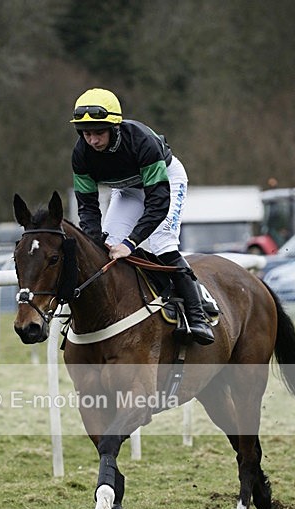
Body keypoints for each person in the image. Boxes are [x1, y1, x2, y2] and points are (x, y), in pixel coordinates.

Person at [71, 87, 214, 345]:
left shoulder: (141, 141)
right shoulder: (81, 155)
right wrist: (95, 239)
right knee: (107, 246)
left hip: (165, 182)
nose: (92, 140)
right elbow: (87, 207)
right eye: (86, 133)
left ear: (114, 127)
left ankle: (198, 312)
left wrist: (131, 242)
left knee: (161, 243)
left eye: (98, 132)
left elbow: (158, 203)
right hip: (127, 189)